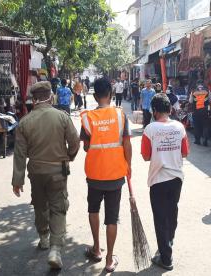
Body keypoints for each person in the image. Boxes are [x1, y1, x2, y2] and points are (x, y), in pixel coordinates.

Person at [12, 81, 80, 269]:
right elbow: (75, 142)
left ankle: (43, 237)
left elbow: (19, 154)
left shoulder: (24, 122)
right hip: (58, 170)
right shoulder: (62, 117)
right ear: (51, 97)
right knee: (58, 207)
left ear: (33, 100)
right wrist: (69, 156)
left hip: (36, 172)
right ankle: (55, 249)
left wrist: (17, 181)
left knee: (40, 205)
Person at [80, 78, 132, 273]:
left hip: (94, 173)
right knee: (112, 217)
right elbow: (127, 143)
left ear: (94, 96)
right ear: (111, 94)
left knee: (93, 210)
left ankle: (96, 249)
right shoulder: (120, 115)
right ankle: (109, 259)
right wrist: (129, 165)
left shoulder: (87, 117)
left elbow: (85, 146)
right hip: (116, 173)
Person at [141, 94, 189, 271]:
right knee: (172, 212)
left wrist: (160, 153)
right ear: (170, 110)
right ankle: (168, 242)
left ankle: (166, 258)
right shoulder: (179, 127)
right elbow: (185, 153)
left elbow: (146, 156)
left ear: (154, 111)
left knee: (160, 218)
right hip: (177, 178)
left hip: (158, 179)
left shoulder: (150, 129)